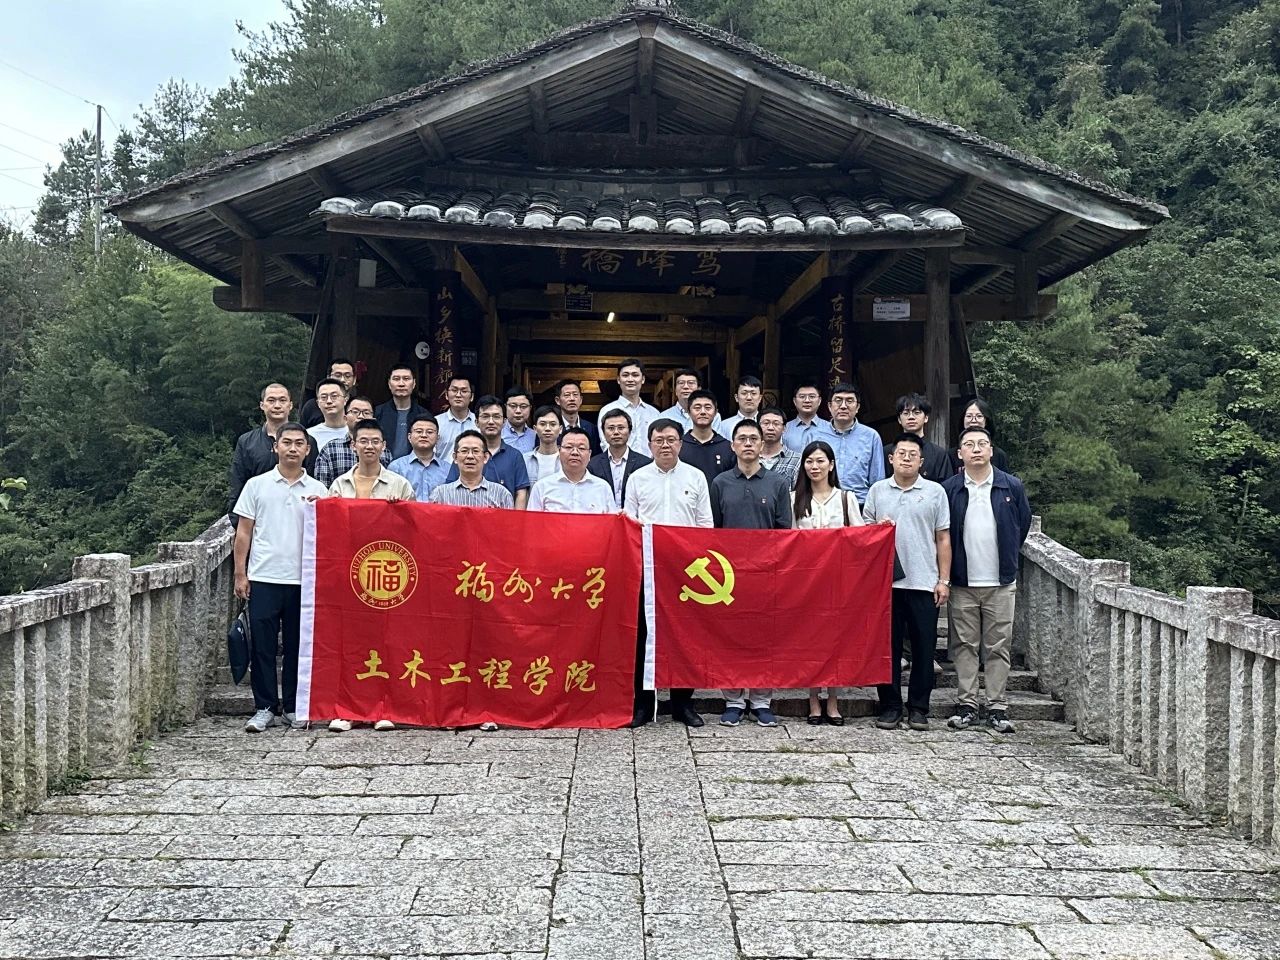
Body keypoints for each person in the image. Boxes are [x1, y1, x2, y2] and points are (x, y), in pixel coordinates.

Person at [232, 422, 327, 732]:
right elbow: (243, 532)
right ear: (275, 447)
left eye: (299, 443)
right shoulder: (256, 485)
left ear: (308, 450)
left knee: (299, 646)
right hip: (264, 576)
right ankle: (264, 707)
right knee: (262, 645)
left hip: (304, 579)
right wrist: (240, 573)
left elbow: (328, 537)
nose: (292, 448)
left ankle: (294, 706)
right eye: (287, 442)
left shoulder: (319, 490)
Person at [326, 420, 415, 734]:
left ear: (384, 446)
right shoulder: (339, 486)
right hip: (349, 575)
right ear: (353, 445)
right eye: (363, 441)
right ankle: (348, 709)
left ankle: (384, 708)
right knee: (350, 643)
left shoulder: (399, 485)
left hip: (388, 574)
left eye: (375, 441)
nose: (369, 446)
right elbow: (329, 528)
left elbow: (414, 530)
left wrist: (398, 511)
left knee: (387, 642)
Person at [624, 419, 713, 729]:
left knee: (685, 637)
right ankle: (643, 705)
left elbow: (705, 525)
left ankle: (683, 704)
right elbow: (630, 525)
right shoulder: (637, 478)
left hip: (685, 571)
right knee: (644, 636)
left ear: (680, 444)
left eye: (671, 439)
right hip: (647, 569)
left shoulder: (696, 477)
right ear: (649, 444)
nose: (665, 445)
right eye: (659, 440)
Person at [943, 425, 1031, 734]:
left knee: (998, 647)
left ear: (992, 450)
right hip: (963, 581)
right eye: (969, 444)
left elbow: (1022, 525)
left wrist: (1008, 557)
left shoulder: (1011, 486)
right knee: (964, 646)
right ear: (960, 453)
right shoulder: (950, 489)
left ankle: (996, 707)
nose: (977, 449)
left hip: (1000, 582)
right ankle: (967, 704)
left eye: (982, 443)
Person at [861, 433, 952, 731]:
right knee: (886, 649)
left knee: (924, 649)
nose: (907, 458)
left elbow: (943, 538)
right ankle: (890, 706)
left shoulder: (935, 492)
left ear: (921, 461)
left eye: (913, 454)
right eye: (901, 453)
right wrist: (878, 529)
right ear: (891, 458)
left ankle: (919, 708)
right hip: (886, 585)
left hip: (924, 582)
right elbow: (864, 535)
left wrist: (944, 580)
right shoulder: (877, 491)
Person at [711, 420, 793, 728]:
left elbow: (784, 530)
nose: (747, 444)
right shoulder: (720, 482)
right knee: (729, 638)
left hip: (766, 573)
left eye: (753, 439)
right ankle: (733, 699)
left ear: (762, 445)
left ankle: (761, 700)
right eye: (742, 439)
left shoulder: (777, 483)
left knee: (765, 638)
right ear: (733, 446)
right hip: (729, 576)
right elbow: (713, 530)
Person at [792, 439, 864, 725]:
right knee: (810, 641)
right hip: (806, 583)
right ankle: (813, 699)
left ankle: (833, 700)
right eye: (809, 461)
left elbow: (860, 538)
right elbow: (787, 541)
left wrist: (881, 529)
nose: (815, 466)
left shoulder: (846, 499)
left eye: (820, 461)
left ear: (831, 465)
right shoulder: (793, 498)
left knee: (836, 641)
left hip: (838, 582)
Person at [442, 395, 531, 508]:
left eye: (496, 417)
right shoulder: (465, 455)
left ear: (504, 422)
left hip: (504, 516)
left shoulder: (515, 456)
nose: (491, 422)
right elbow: (450, 489)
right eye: (485, 416)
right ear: (476, 422)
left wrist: (516, 519)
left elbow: (521, 494)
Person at [228, 382, 293, 527]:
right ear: (262, 405)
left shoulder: (305, 441)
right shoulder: (246, 442)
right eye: (271, 400)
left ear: (290, 405)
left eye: (282, 400)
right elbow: (238, 484)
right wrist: (238, 524)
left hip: (295, 519)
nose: (277, 405)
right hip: (258, 519)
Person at [819, 383, 885, 505]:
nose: (843, 406)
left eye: (849, 401)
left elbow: (877, 481)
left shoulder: (871, 436)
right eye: (838, 400)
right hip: (824, 504)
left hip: (860, 504)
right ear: (829, 406)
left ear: (858, 407)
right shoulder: (816, 436)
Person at [528, 427, 616, 513]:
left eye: (581, 448)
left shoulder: (603, 488)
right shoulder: (541, 487)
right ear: (559, 451)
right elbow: (532, 521)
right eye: (569, 447)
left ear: (589, 454)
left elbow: (611, 521)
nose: (575, 452)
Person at [313, 395, 390, 489]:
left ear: (373, 418)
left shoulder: (383, 450)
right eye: (355, 412)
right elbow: (322, 488)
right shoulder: (330, 449)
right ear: (345, 418)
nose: (361, 416)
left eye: (366, 412)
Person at [428, 430, 516, 508]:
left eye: (476, 451)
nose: (470, 456)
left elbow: (508, 522)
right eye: (464, 451)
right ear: (455, 457)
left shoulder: (502, 495)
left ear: (485, 457)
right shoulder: (440, 495)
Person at [882, 393, 957, 481]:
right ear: (899, 419)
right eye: (906, 413)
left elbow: (947, 485)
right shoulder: (887, 451)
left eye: (916, 413)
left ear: (926, 418)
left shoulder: (939, 454)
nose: (911, 417)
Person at [588, 409, 652, 508]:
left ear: (630, 431)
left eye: (621, 428)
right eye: (611, 428)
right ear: (603, 432)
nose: (616, 432)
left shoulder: (645, 464)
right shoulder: (592, 464)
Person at [597, 358, 660, 455]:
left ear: (643, 379)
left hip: (650, 463)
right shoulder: (607, 410)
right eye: (625, 375)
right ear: (618, 380)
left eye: (635, 375)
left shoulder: (654, 413)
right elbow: (605, 443)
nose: (630, 379)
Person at [678, 389, 734, 485]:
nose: (703, 412)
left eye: (708, 408)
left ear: (716, 412)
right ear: (689, 412)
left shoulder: (727, 447)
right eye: (697, 408)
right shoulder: (679, 446)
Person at [388, 413, 448, 501]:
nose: (424, 435)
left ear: (437, 438)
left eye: (429, 432)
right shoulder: (396, 467)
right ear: (409, 437)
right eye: (419, 431)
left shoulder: (448, 469)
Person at [374, 364, 427, 461]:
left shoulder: (423, 415)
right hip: (382, 465)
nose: (401, 384)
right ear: (389, 384)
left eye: (406, 379)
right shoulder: (377, 413)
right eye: (396, 379)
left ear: (414, 384)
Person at [660, 367, 723, 436]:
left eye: (690, 383)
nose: (685, 387)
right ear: (675, 390)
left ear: (699, 389)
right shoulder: (664, 416)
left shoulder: (713, 416)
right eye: (681, 383)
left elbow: (716, 441)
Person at [299, 358, 357, 428]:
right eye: (338, 375)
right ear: (328, 377)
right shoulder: (311, 406)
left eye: (347, 376)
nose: (342, 380)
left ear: (354, 380)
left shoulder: (358, 406)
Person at [959, 397, 1011, 472]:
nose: (973, 420)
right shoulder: (951, 455)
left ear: (986, 421)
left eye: (979, 416)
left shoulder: (999, 455)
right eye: (969, 416)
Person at [306, 378, 349, 463]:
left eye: (334, 396)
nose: (329, 401)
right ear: (318, 403)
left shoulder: (356, 432)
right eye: (324, 397)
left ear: (345, 399)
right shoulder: (309, 435)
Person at [435, 376, 477, 463]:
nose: (458, 395)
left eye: (464, 391)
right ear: (446, 395)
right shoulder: (436, 423)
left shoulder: (480, 423)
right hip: (443, 471)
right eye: (454, 390)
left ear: (472, 397)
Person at [758, 406, 801, 490]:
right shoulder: (749, 457)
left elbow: (799, 493)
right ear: (757, 427)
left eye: (776, 424)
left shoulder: (797, 459)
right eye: (766, 423)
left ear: (784, 428)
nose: (770, 428)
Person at [553, 379, 600, 455]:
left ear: (581, 400)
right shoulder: (553, 428)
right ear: (557, 400)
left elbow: (596, 455)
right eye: (567, 395)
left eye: (575, 395)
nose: (572, 399)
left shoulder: (591, 428)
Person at [782, 383, 829, 454]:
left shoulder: (829, 428)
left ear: (819, 401)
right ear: (794, 401)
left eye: (812, 396)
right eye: (802, 397)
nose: (807, 400)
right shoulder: (785, 428)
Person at [525, 405, 564, 483]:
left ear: (560, 429)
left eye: (553, 424)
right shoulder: (525, 460)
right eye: (542, 424)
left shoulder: (567, 459)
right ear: (535, 429)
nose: (547, 428)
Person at [501, 387, 536, 453]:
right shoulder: (497, 434)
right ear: (505, 407)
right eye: (513, 406)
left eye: (523, 406)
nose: (518, 411)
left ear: (530, 408)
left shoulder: (535, 436)